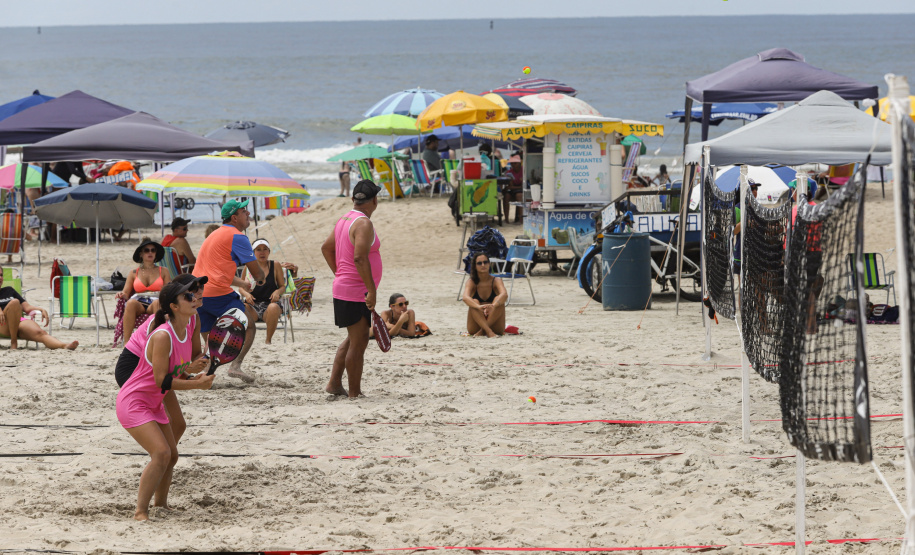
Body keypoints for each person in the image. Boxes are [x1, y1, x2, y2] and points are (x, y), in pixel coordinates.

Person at [115, 280, 213, 521]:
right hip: (134, 401)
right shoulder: (162, 335)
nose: (195, 298)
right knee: (161, 453)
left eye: (194, 295)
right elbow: (162, 380)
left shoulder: (186, 327)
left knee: (172, 454)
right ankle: (140, 512)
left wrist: (191, 372)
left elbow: (176, 370)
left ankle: (161, 504)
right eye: (188, 296)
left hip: (152, 402)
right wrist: (195, 384)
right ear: (174, 307)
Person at [321, 180, 383, 398]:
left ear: (353, 200)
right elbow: (359, 257)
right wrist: (371, 289)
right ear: (375, 200)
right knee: (358, 343)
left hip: (346, 287)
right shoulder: (363, 223)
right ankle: (355, 393)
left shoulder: (345, 218)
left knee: (351, 339)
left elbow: (326, 248)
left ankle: (334, 384)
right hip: (356, 291)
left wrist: (340, 274)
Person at [192, 199, 265, 383]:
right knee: (249, 326)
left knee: (210, 339)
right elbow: (257, 274)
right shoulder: (238, 237)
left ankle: (206, 374)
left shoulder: (214, 235)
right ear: (234, 217)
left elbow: (214, 271)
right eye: (244, 211)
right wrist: (261, 278)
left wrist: (241, 282)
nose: (248, 213)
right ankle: (235, 366)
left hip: (198, 293)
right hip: (218, 294)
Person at [0, 266, 78, 350]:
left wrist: (40, 309)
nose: (0, 278)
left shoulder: (9, 290)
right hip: (3, 324)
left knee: (41, 333)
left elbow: (27, 307)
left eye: (1, 275)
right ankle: (14, 342)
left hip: (18, 322)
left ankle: (63, 345)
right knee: (15, 302)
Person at [117, 240, 171, 343]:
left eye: (153, 250)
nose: (150, 253)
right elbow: (126, 293)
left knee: (157, 303)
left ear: (156, 254)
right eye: (147, 250)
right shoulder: (133, 272)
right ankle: (127, 343)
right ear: (141, 254)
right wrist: (121, 294)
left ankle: (154, 341)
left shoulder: (163, 271)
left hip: (156, 300)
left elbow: (169, 290)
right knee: (131, 303)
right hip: (139, 302)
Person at [239, 239, 286, 345]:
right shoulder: (248, 266)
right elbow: (241, 287)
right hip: (253, 305)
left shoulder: (275, 265)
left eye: (265, 249)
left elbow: (283, 286)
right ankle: (246, 342)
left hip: (270, 304)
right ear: (253, 252)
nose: (262, 252)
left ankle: (268, 340)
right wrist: (246, 294)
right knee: (242, 307)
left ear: (269, 251)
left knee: (273, 307)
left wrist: (277, 292)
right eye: (258, 249)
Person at [462, 252, 508, 337]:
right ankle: (488, 331)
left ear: (489, 264)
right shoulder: (471, 282)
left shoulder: (496, 280)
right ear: (475, 266)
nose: (483, 265)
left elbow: (504, 294)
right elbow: (465, 297)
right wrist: (478, 307)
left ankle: (483, 330)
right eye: (479, 263)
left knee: (499, 300)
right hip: (476, 325)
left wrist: (493, 306)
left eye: (485, 262)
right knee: (474, 301)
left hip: (496, 326)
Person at [503, 155, 524, 224]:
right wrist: (516, 187)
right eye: (512, 163)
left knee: (519, 195)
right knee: (506, 196)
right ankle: (506, 219)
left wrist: (512, 187)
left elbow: (522, 186)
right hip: (514, 190)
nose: (513, 165)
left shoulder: (524, 171)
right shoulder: (509, 172)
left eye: (515, 163)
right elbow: (510, 185)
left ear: (519, 163)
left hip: (521, 191)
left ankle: (521, 219)